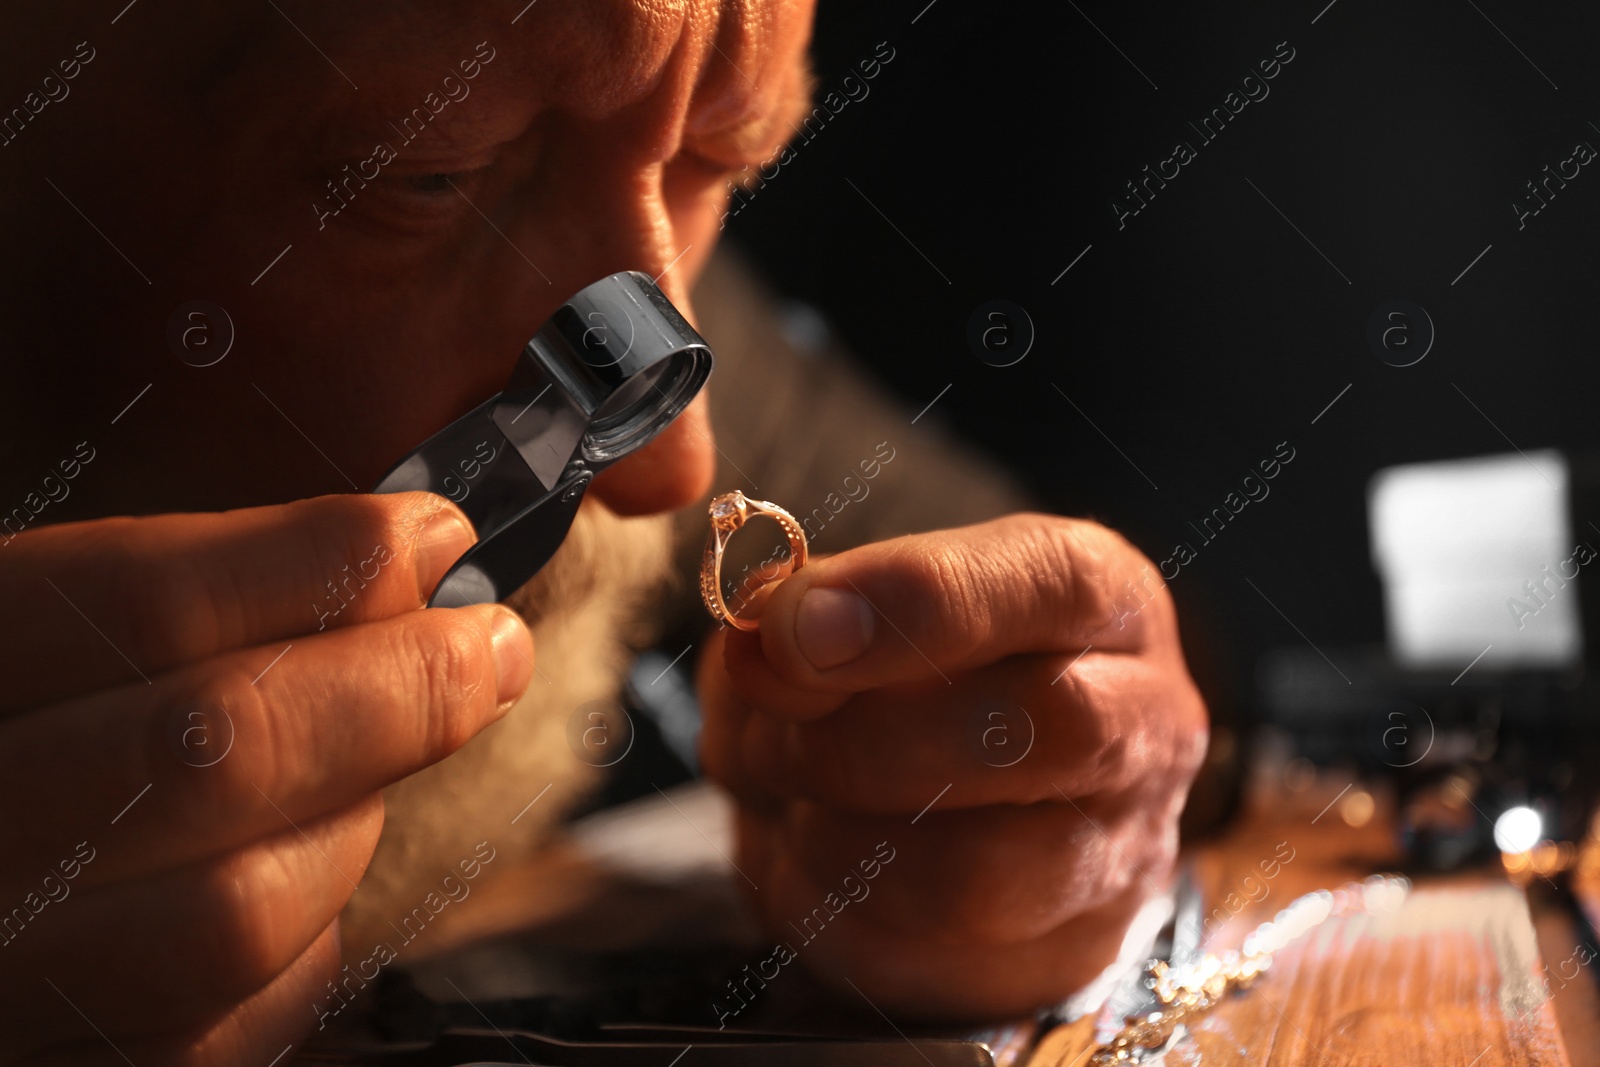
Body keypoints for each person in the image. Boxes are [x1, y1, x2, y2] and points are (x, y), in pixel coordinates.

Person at [0, 1, 1208, 1061]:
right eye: (429, 167)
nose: (670, 459)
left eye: (729, 150)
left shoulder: (615, 234)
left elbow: (1064, 636)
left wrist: (1042, 803)